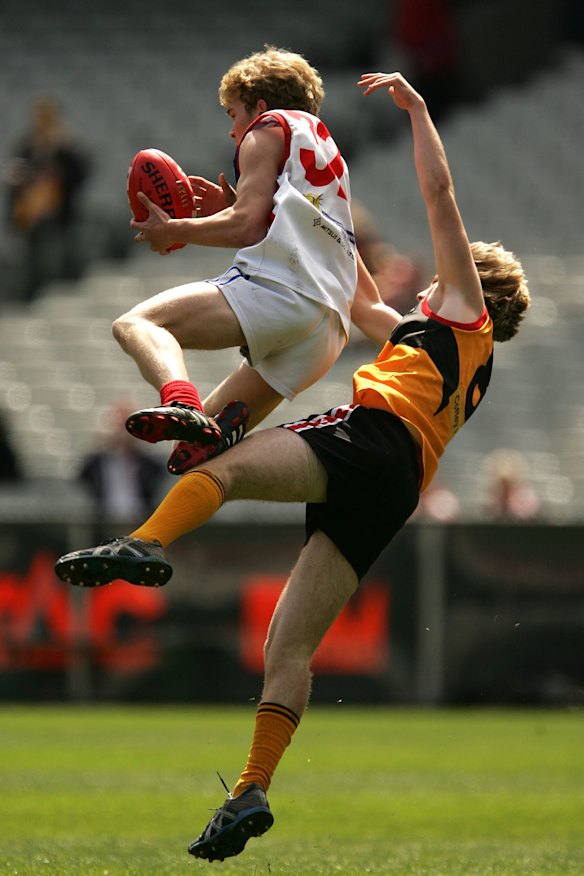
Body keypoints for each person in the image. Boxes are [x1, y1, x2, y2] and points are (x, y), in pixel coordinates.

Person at [55, 72, 530, 862]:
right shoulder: (450, 349)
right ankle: (251, 790)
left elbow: (440, 194)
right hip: (395, 491)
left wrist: (417, 113)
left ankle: (145, 542)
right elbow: (356, 295)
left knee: (225, 467)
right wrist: (302, 215)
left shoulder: (461, 311)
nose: (435, 275)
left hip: (372, 440)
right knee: (288, 648)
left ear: (471, 283)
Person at [114, 45, 381, 478]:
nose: (232, 130)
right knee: (196, 451)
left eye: (233, 113)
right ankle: (204, 450)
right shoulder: (326, 155)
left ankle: (181, 401)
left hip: (282, 292)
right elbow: (286, 229)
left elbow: (246, 228)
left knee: (136, 325)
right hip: (327, 331)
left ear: (259, 105)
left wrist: (173, 229)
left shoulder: (266, 128)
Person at [2, 95, 91, 301]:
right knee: (29, 266)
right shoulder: (27, 147)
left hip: (58, 220)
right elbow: (15, 175)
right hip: (30, 219)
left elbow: (80, 174)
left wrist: (65, 146)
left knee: (53, 265)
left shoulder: (65, 149)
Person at [77, 400, 167, 525]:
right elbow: (81, 476)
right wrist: (106, 443)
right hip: (103, 523)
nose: (124, 433)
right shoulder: (97, 462)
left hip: (141, 522)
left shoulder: (149, 464)